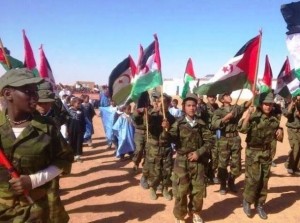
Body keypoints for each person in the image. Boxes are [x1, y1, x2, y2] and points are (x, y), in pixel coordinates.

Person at [0, 68, 73, 222]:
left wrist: (33, 181)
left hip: (38, 210)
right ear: (8, 94)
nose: (35, 96)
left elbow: (64, 160)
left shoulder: (47, 128)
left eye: (35, 91)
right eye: (28, 91)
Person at [163, 93, 213, 223]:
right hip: (182, 162)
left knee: (198, 190)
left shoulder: (201, 123)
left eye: (193, 105)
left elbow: (209, 142)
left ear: (196, 107)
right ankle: (180, 216)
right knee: (181, 190)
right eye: (188, 105)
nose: (191, 108)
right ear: (183, 107)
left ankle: (195, 212)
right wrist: (166, 130)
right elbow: (168, 140)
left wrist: (198, 152)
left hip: (198, 162)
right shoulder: (178, 123)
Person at [238, 92, 283, 219]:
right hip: (253, 152)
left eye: (270, 104)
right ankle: (247, 201)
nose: (268, 107)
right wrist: (248, 115)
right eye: (265, 104)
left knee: (264, 180)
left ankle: (260, 204)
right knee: (253, 180)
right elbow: (242, 129)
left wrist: (280, 130)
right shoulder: (254, 116)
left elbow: (276, 130)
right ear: (261, 104)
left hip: (267, 153)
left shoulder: (274, 118)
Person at [211, 92, 252, 195]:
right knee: (222, 164)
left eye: (229, 95)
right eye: (226, 95)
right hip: (224, 139)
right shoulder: (218, 111)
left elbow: (245, 105)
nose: (230, 96)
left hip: (235, 139)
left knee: (237, 165)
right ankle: (223, 184)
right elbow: (214, 124)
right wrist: (226, 118)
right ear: (222, 99)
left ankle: (231, 180)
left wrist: (253, 96)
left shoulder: (235, 108)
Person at [143, 93, 176, 201]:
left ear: (168, 104)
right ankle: (153, 187)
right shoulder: (153, 115)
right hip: (154, 147)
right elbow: (146, 124)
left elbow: (174, 134)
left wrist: (168, 128)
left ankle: (165, 188)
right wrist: (149, 114)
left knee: (166, 170)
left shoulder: (171, 118)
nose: (162, 104)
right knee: (154, 170)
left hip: (166, 147)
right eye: (160, 101)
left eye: (165, 102)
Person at [283, 95, 300, 175]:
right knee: (295, 147)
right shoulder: (289, 103)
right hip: (292, 129)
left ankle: (296, 167)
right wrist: (292, 104)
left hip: (299, 129)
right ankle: (290, 165)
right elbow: (286, 114)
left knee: (299, 149)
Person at [205, 94, 220, 184]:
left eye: (214, 96)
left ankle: (211, 174)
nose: (212, 98)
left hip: (215, 135)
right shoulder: (203, 107)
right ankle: (205, 175)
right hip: (206, 136)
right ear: (207, 98)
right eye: (210, 96)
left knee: (215, 157)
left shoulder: (217, 107)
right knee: (205, 157)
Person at [67, 97, 86, 162]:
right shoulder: (69, 111)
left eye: (80, 103)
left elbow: (83, 121)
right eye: (78, 103)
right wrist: (67, 130)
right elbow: (67, 121)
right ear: (73, 103)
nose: (79, 105)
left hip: (80, 130)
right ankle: (72, 156)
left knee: (79, 143)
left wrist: (84, 129)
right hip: (71, 130)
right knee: (72, 142)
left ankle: (78, 156)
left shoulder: (81, 111)